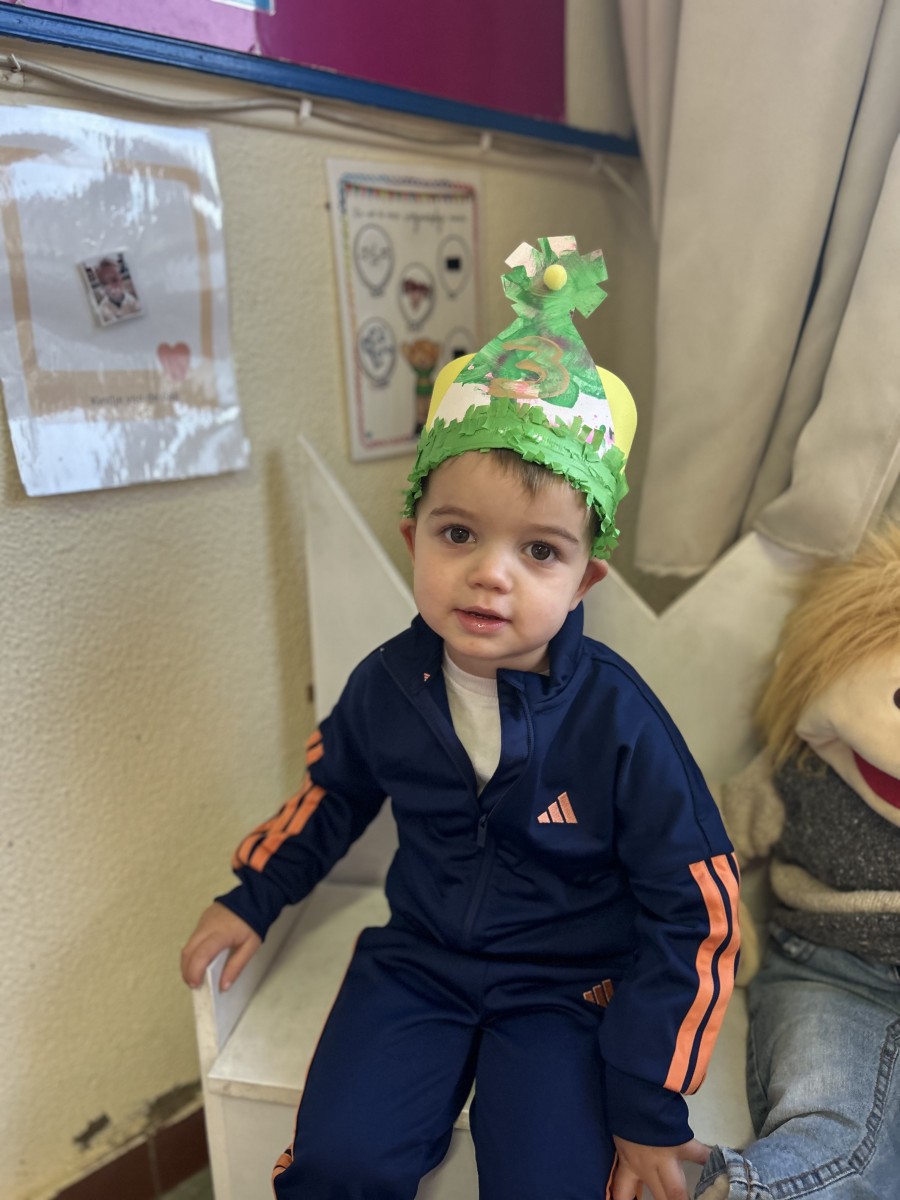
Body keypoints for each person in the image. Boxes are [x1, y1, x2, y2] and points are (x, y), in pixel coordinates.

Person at [181, 236, 740, 1200]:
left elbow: (696, 905)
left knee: (551, 1181)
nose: (491, 573)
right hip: (420, 963)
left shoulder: (620, 721)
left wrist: (650, 1102)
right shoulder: (389, 684)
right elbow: (332, 791)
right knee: (338, 1164)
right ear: (415, 540)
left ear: (585, 581)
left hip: (570, 989)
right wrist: (255, 894)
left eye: (540, 551)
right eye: (458, 534)